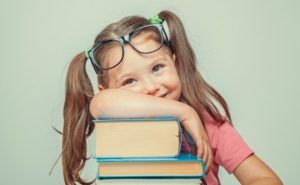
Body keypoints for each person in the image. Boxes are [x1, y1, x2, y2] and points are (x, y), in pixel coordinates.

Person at [62, 10, 283, 185]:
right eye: (129, 81)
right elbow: (100, 104)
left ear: (175, 63)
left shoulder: (211, 126)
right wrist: (184, 112)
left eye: (157, 67)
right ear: (107, 89)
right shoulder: (117, 121)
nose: (151, 87)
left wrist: (194, 115)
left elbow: (266, 179)